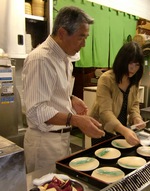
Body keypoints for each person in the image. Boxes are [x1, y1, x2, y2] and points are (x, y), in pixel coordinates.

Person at [22, 6, 105, 173]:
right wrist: (75, 120)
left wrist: (71, 98)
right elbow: (36, 110)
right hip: (44, 143)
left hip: (60, 139)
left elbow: (50, 91)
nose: (84, 44)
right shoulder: (41, 59)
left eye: (86, 37)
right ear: (61, 33)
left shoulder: (63, 57)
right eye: (81, 37)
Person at [89, 41, 146, 146]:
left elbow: (134, 104)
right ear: (122, 61)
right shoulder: (106, 79)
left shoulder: (135, 80)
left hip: (121, 129)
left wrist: (136, 118)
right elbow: (105, 112)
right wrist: (124, 130)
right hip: (102, 129)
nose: (133, 68)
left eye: (137, 65)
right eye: (130, 63)